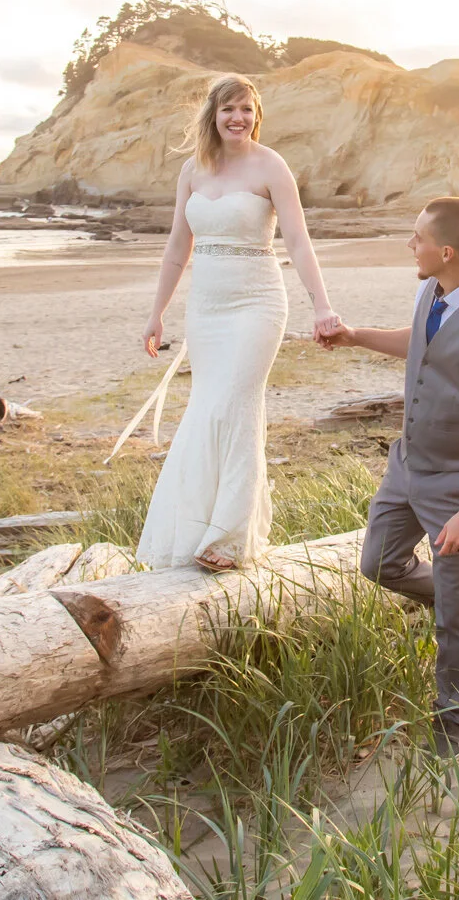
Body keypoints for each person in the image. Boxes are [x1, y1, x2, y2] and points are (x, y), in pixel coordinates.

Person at [316, 196, 459, 755]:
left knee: (450, 616)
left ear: (446, 251)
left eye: (418, 239)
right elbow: (421, 346)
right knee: (378, 563)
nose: (411, 245)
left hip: (454, 482)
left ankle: (452, 724)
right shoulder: (430, 290)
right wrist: (356, 336)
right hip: (406, 464)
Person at [137, 74, 341, 572]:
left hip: (257, 304)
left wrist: (322, 306)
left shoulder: (271, 166)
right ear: (212, 114)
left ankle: (228, 538)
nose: (238, 118)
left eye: (247, 109)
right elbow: (175, 249)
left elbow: (297, 240)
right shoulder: (192, 170)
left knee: (236, 404)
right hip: (205, 309)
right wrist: (156, 312)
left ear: (257, 114)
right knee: (206, 407)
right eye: (229, 108)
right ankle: (195, 527)